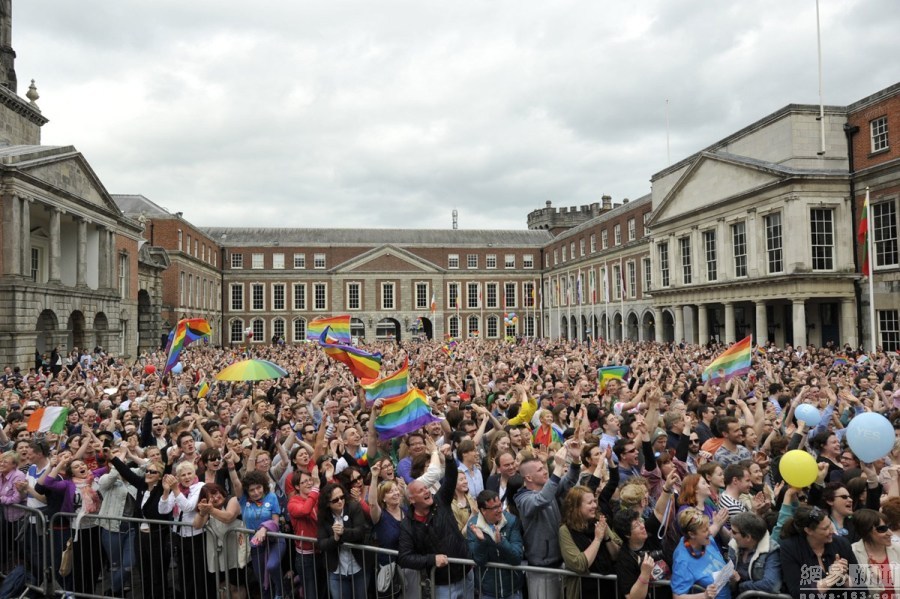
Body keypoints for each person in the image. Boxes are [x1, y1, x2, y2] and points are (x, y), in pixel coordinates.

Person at [515, 438, 582, 599]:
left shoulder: (548, 488)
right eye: (540, 470)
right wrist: (558, 467)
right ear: (529, 478)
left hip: (559, 562)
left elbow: (569, 480)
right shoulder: (523, 499)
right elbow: (542, 500)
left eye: (544, 468)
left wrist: (575, 460)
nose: (545, 471)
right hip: (541, 569)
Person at [398, 454, 472, 599]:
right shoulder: (408, 525)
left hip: (466, 574)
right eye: (421, 491)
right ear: (412, 499)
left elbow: (450, 479)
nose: (426, 491)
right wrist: (432, 560)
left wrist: (450, 459)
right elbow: (404, 558)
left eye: (426, 488)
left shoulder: (440, 501)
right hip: (442, 585)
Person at [779, 505, 857, 598]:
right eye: (825, 529)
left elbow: (862, 588)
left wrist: (843, 577)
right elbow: (798, 592)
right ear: (808, 531)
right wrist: (831, 578)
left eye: (830, 524)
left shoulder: (841, 544)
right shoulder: (790, 548)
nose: (832, 531)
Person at [158, 461, 209, 598]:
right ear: (178, 477)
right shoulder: (177, 488)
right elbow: (162, 510)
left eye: (189, 473)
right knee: (184, 572)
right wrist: (166, 490)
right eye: (183, 475)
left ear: (194, 474)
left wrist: (175, 490)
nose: (187, 477)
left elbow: (188, 507)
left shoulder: (200, 487)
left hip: (197, 536)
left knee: (198, 572)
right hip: (179, 536)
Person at [559, 485, 617, 599]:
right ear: (576, 507)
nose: (595, 506)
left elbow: (616, 555)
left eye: (594, 501)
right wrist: (597, 539)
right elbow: (579, 564)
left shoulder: (598, 522)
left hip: (608, 588)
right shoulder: (565, 530)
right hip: (583, 591)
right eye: (590, 503)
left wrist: (607, 538)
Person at [466, 489, 524, 599]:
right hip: (488, 591)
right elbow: (479, 560)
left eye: (500, 505)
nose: (500, 510)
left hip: (512, 589)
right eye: (494, 508)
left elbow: (516, 558)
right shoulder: (473, 525)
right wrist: (481, 541)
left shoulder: (511, 521)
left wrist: (501, 543)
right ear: (483, 510)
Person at [317, 482, 371, 599]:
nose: (340, 501)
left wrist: (343, 532)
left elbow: (360, 532)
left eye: (342, 497)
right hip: (336, 571)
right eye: (335, 500)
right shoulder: (323, 517)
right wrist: (335, 539)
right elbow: (321, 543)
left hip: (358, 567)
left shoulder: (353, 507)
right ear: (327, 504)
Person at [193, 483, 247, 599]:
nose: (215, 497)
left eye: (216, 493)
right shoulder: (209, 509)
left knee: (236, 585)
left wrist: (210, 509)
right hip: (218, 556)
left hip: (235, 553)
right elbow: (197, 525)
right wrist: (202, 512)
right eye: (211, 496)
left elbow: (228, 517)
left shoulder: (232, 500)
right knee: (222, 585)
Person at [239, 470, 285, 599]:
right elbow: (236, 484)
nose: (256, 492)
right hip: (256, 545)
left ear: (263, 486)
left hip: (275, 540)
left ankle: (280, 592)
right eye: (251, 490)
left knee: (271, 565)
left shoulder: (271, 496)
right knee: (262, 582)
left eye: (258, 487)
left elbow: (275, 523)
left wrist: (264, 529)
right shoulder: (243, 500)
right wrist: (231, 468)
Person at [671, 508, 731, 599]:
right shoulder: (683, 561)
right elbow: (677, 596)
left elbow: (712, 529)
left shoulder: (703, 539)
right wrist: (704, 595)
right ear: (692, 534)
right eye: (705, 530)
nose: (710, 532)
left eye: (708, 527)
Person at [726, 511, 782, 594]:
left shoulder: (771, 550)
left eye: (734, 532)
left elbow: (771, 585)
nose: (730, 534)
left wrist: (740, 585)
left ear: (748, 537)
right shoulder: (734, 544)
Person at [849, 508, 900, 597]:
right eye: (883, 529)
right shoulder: (853, 553)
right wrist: (875, 578)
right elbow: (860, 593)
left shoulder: (897, 549)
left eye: (889, 527)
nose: (890, 533)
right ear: (866, 531)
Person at [287, 467, 321, 599]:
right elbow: (305, 510)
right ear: (296, 486)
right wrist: (316, 488)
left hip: (321, 551)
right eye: (304, 482)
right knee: (310, 592)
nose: (309, 483)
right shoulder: (293, 502)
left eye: (310, 480)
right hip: (305, 557)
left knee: (322, 589)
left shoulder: (316, 498)